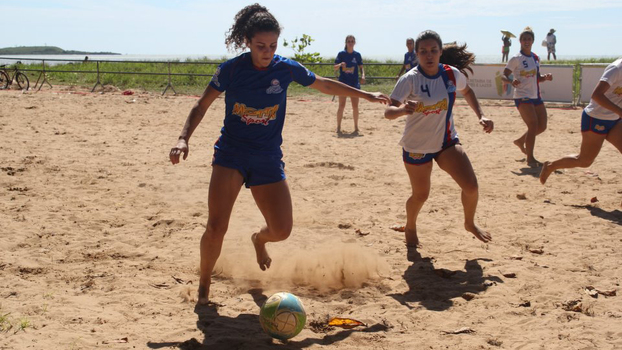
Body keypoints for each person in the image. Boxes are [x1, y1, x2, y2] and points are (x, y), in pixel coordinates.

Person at [168, 4, 389, 304]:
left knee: (282, 230)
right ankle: (204, 285)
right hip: (231, 154)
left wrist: (365, 94)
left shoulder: (285, 68)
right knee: (217, 225)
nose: (267, 52)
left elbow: (323, 84)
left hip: (267, 157)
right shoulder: (231, 69)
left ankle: (259, 240)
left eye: (272, 45)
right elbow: (201, 105)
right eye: (260, 46)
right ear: (247, 41)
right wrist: (183, 139)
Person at [384, 30, 494, 251]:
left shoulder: (451, 74)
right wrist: (403, 110)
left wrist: (481, 115)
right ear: (416, 54)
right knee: (421, 195)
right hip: (417, 146)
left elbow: (468, 91)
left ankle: (469, 223)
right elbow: (388, 111)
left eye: (433, 50)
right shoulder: (410, 79)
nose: (429, 55)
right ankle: (411, 226)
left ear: (440, 52)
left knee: (471, 186)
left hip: (446, 142)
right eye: (423, 51)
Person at [540, 58, 622, 184]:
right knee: (584, 161)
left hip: (615, 119)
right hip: (595, 118)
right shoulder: (616, 68)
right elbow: (596, 95)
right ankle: (551, 166)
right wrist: (619, 111)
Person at [502, 26, 553, 167]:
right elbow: (503, 75)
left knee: (542, 126)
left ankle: (520, 141)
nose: (526, 41)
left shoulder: (536, 58)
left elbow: (537, 78)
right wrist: (512, 80)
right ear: (520, 41)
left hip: (535, 95)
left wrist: (545, 77)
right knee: (533, 124)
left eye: (529, 39)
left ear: (533, 41)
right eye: (524, 39)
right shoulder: (516, 58)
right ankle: (530, 158)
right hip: (522, 95)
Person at [334, 35, 366, 134]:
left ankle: (356, 127)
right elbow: (335, 67)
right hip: (343, 82)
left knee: (355, 106)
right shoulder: (341, 54)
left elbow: (361, 67)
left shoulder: (357, 55)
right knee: (341, 105)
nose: (350, 43)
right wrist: (340, 65)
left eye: (352, 41)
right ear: (346, 43)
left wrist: (363, 76)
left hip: (354, 83)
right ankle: (338, 127)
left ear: (354, 43)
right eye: (349, 41)